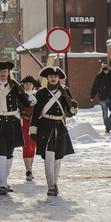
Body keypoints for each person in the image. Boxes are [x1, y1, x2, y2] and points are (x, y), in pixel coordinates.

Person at [0, 61, 33, 195]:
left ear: (9, 73)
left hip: (12, 123)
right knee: (1, 153)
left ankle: (5, 180)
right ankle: (2, 183)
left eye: (4, 72)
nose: (2, 74)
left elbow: (26, 103)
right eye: (0, 72)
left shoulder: (15, 87)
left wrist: (31, 96)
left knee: (9, 154)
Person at [30, 66, 78, 196]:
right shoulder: (40, 93)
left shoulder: (65, 91)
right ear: (47, 78)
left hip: (59, 127)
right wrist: (33, 130)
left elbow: (70, 112)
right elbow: (35, 113)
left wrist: (74, 107)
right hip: (45, 127)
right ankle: (50, 186)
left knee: (58, 158)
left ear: (58, 78)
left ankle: (55, 183)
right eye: (51, 77)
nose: (53, 79)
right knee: (48, 157)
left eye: (55, 77)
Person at [90, 60, 111, 133]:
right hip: (102, 97)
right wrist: (92, 96)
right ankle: (107, 127)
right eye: (103, 67)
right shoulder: (99, 76)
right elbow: (95, 86)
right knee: (105, 113)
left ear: (109, 67)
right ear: (101, 67)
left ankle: (107, 124)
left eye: (106, 67)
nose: (105, 68)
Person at [19, 75, 40, 181]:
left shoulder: (37, 96)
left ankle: (30, 168)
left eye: (30, 84)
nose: (28, 85)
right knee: (26, 146)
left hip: (34, 123)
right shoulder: (20, 96)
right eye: (26, 84)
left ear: (33, 86)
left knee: (33, 146)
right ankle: (28, 170)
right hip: (24, 124)